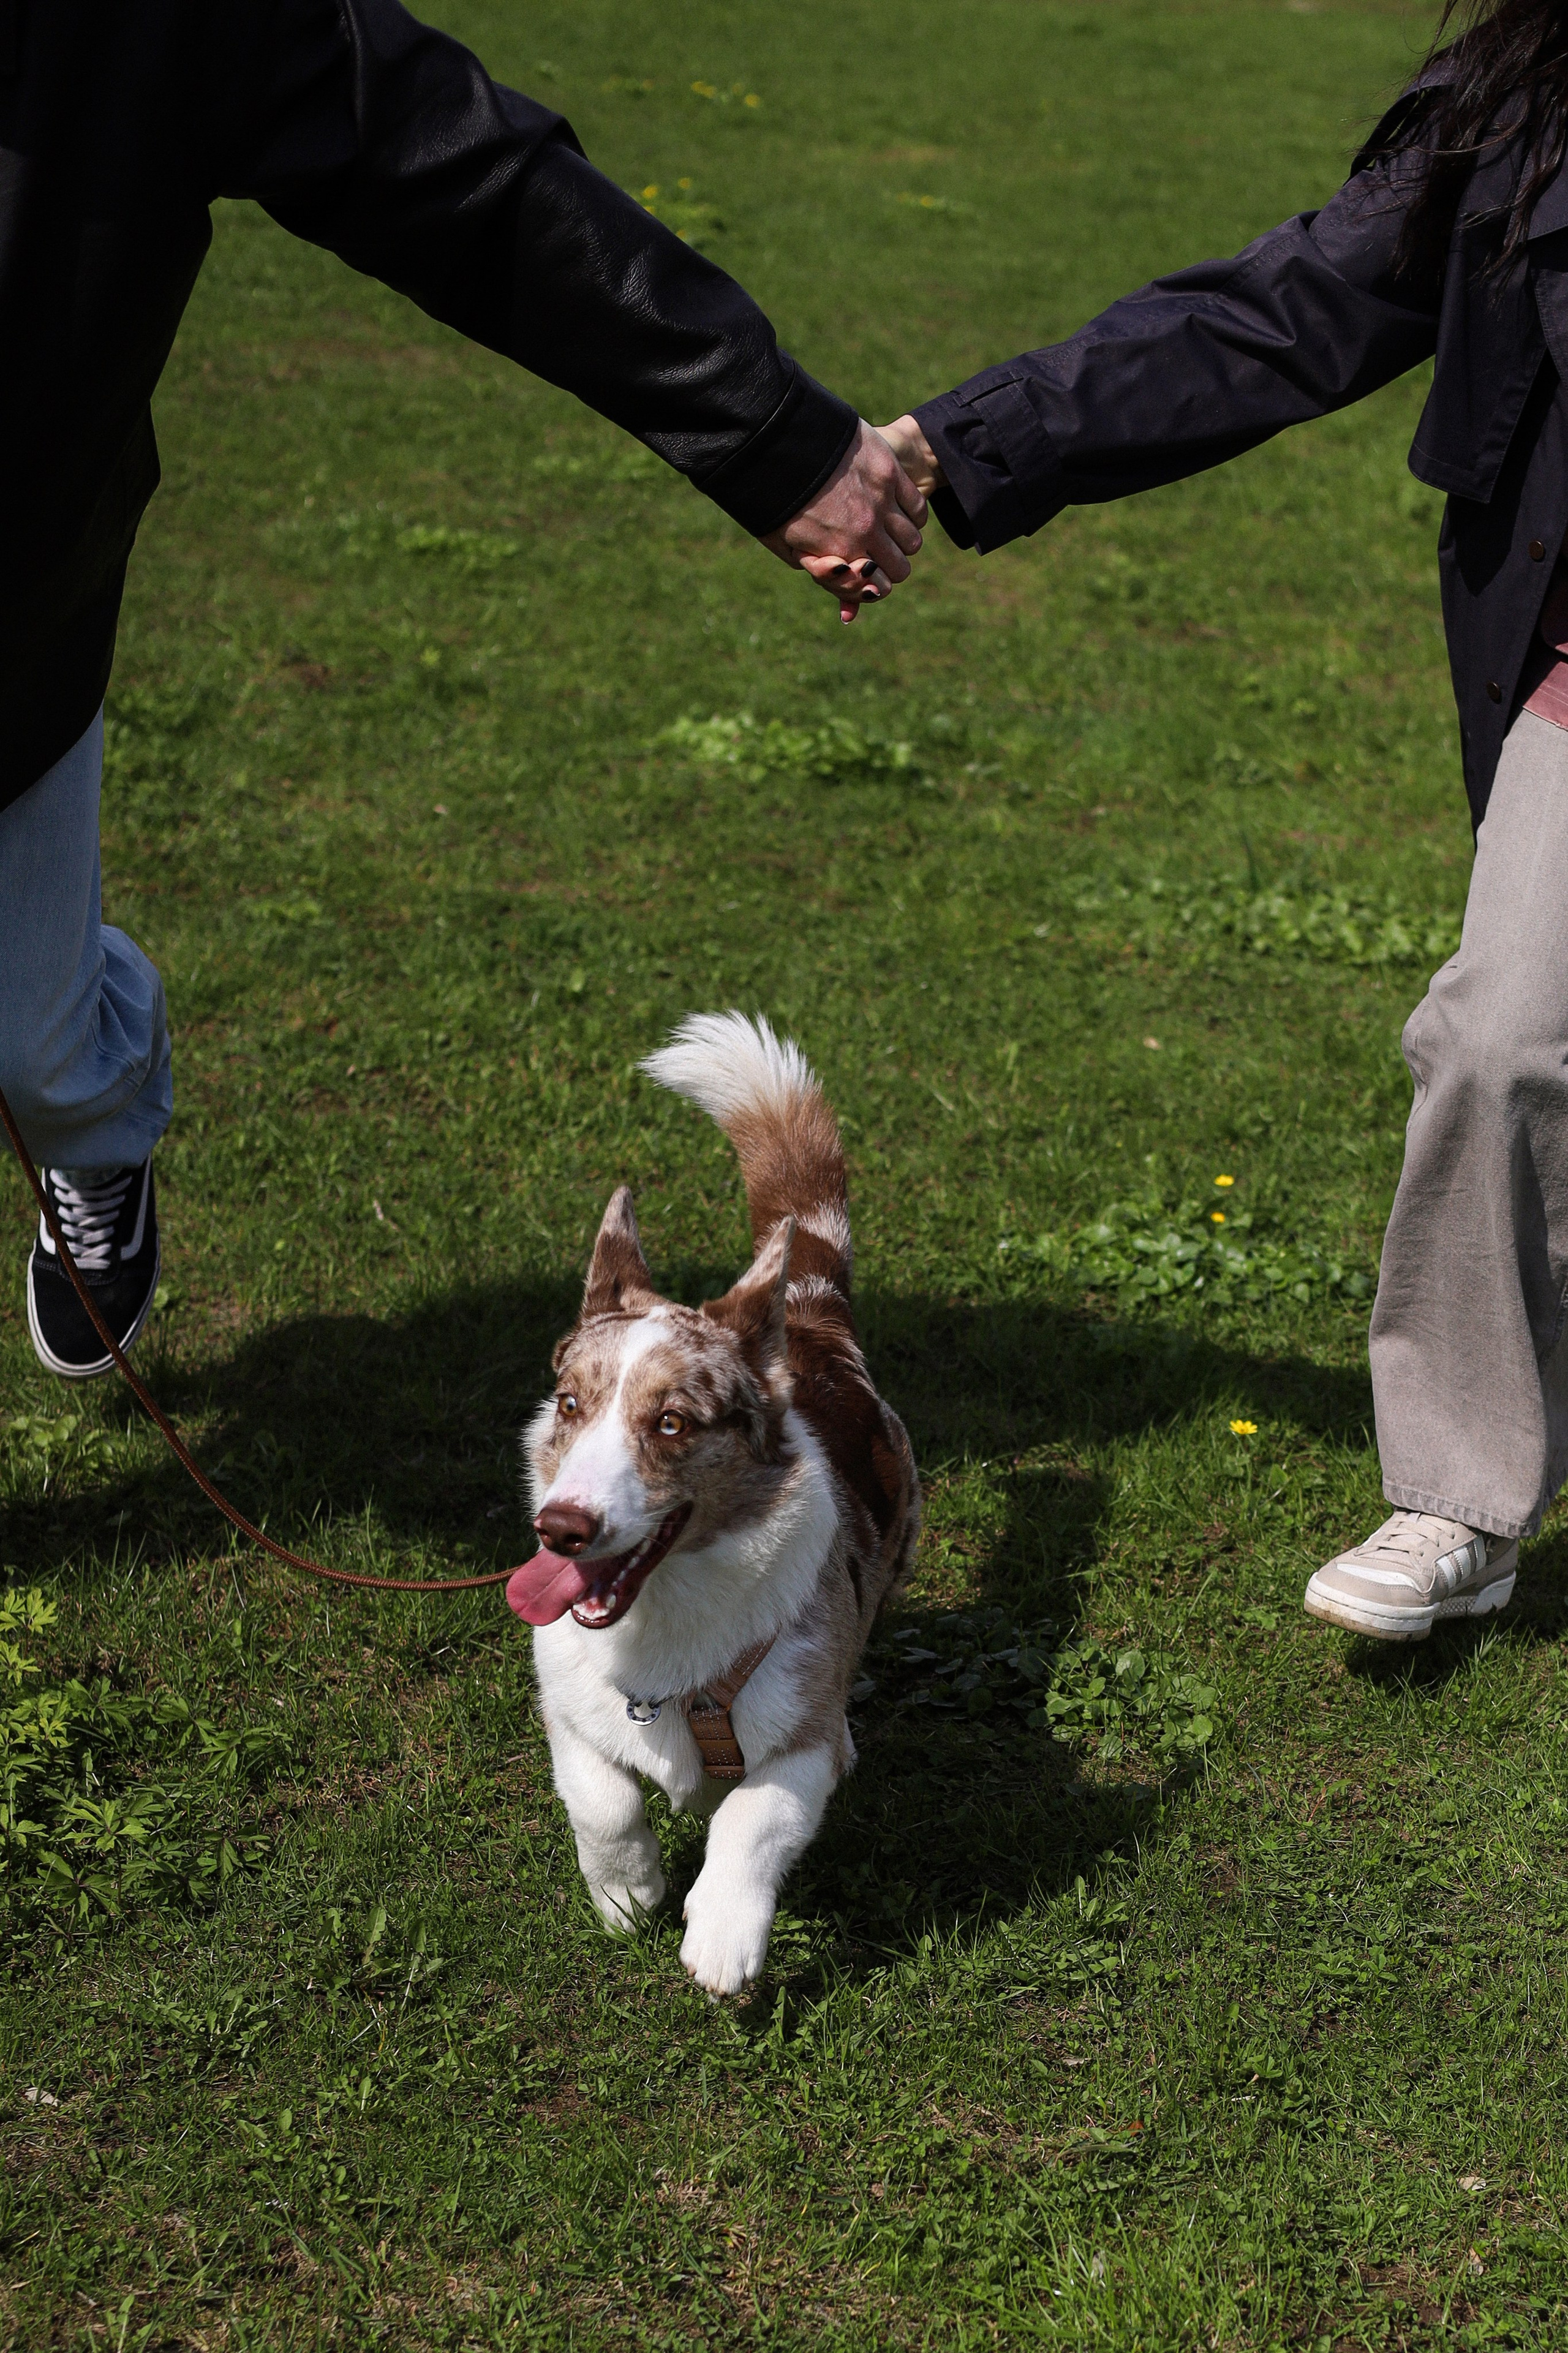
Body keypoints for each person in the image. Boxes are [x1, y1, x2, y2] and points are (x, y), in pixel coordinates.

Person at [0, 0, 924, 1380]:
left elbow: (454, 174)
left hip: (17, 623)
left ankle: (94, 1105)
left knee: (33, 1040)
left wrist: (774, 436)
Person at [878, 0, 1568, 1642]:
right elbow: (1274, 317)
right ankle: (1462, 1497)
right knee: (1505, 1038)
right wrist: (962, 449)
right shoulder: (1522, 106)